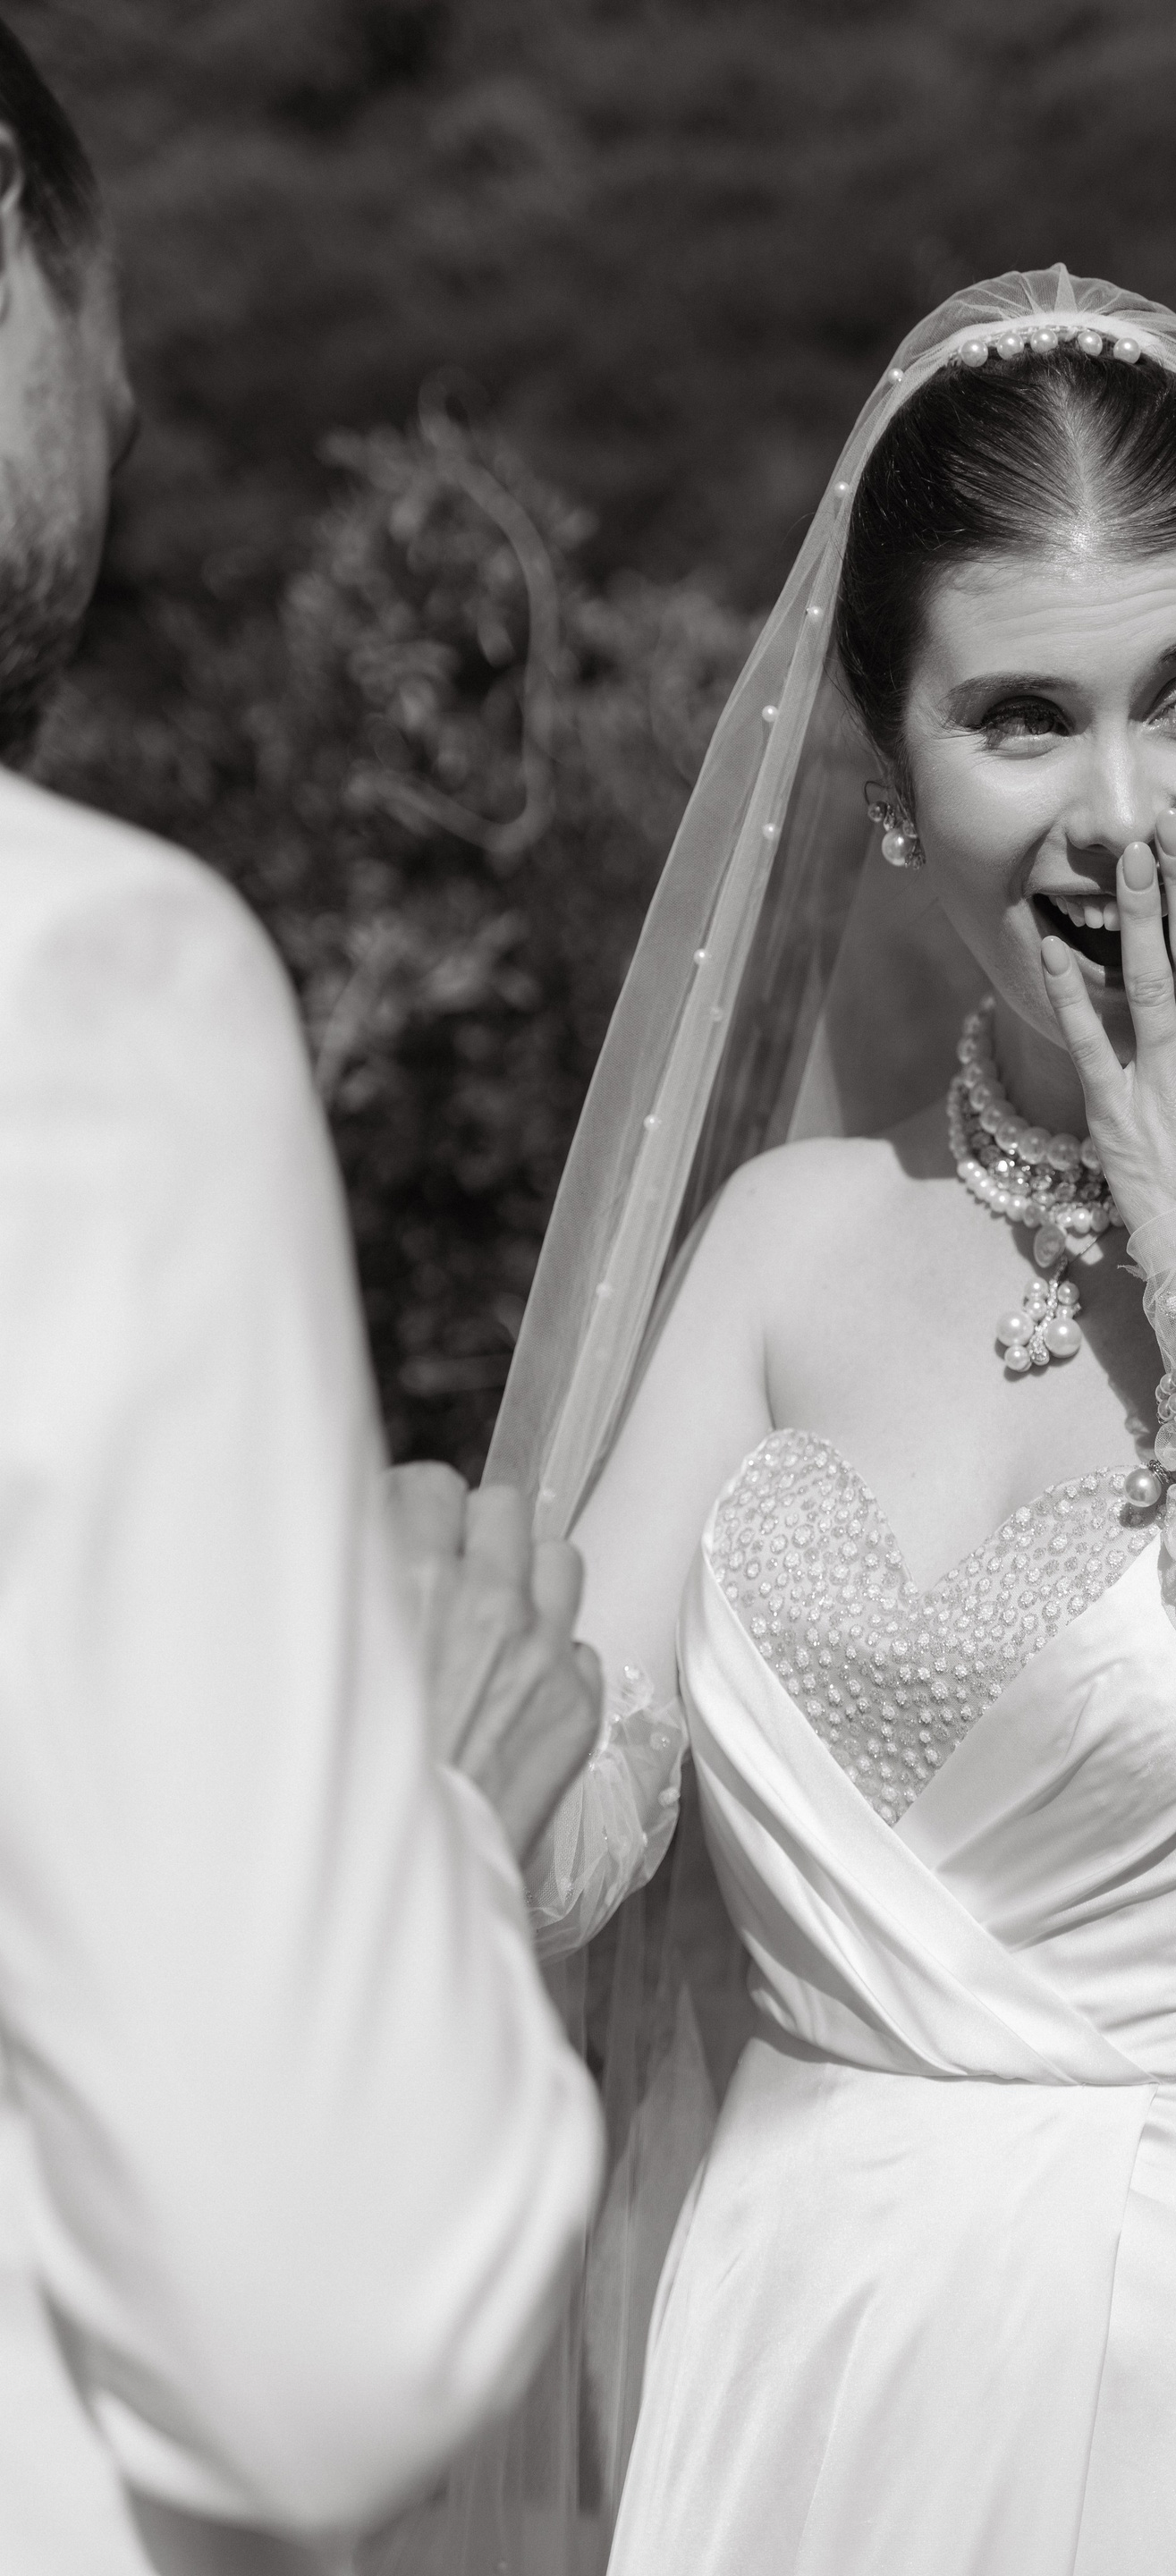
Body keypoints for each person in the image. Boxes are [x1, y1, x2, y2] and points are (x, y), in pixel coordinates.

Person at [475, 272, 1176, 2573]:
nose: (1125, 814)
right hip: (796, 2369)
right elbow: (562, 1829)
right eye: (1020, 720)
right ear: (892, 787)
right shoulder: (786, 1241)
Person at [0, 27, 610, 2575]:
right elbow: (331, 2334)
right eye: (94, 309)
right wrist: (435, 1813)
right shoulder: (81, 980)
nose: (129, 407)